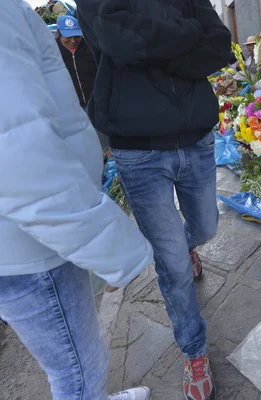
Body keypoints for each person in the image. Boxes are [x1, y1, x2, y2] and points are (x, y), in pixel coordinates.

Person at [76, 1, 231, 399]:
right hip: (139, 149)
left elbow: (218, 45)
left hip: (196, 139)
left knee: (206, 226)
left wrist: (150, 50)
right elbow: (114, 38)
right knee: (172, 262)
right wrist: (186, 34)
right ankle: (194, 351)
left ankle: (188, 245)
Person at [0, 1, 154, 399]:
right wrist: (116, 250)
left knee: (79, 356)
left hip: (24, 240)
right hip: (30, 249)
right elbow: (19, 155)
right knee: (77, 369)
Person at [55, 14, 110, 150]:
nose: (73, 40)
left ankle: (108, 157)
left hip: (94, 100)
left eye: (77, 36)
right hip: (71, 103)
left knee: (102, 133)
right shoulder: (54, 52)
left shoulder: (90, 47)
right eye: (68, 37)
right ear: (59, 34)